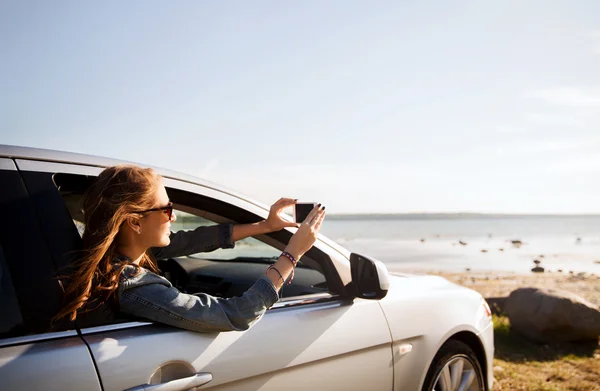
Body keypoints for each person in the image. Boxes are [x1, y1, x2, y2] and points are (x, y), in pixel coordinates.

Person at [53, 165, 326, 332]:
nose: (173, 217)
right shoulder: (131, 284)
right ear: (135, 222)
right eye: (167, 209)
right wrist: (292, 255)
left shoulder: (119, 256)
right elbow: (237, 314)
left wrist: (265, 226)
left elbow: (192, 240)